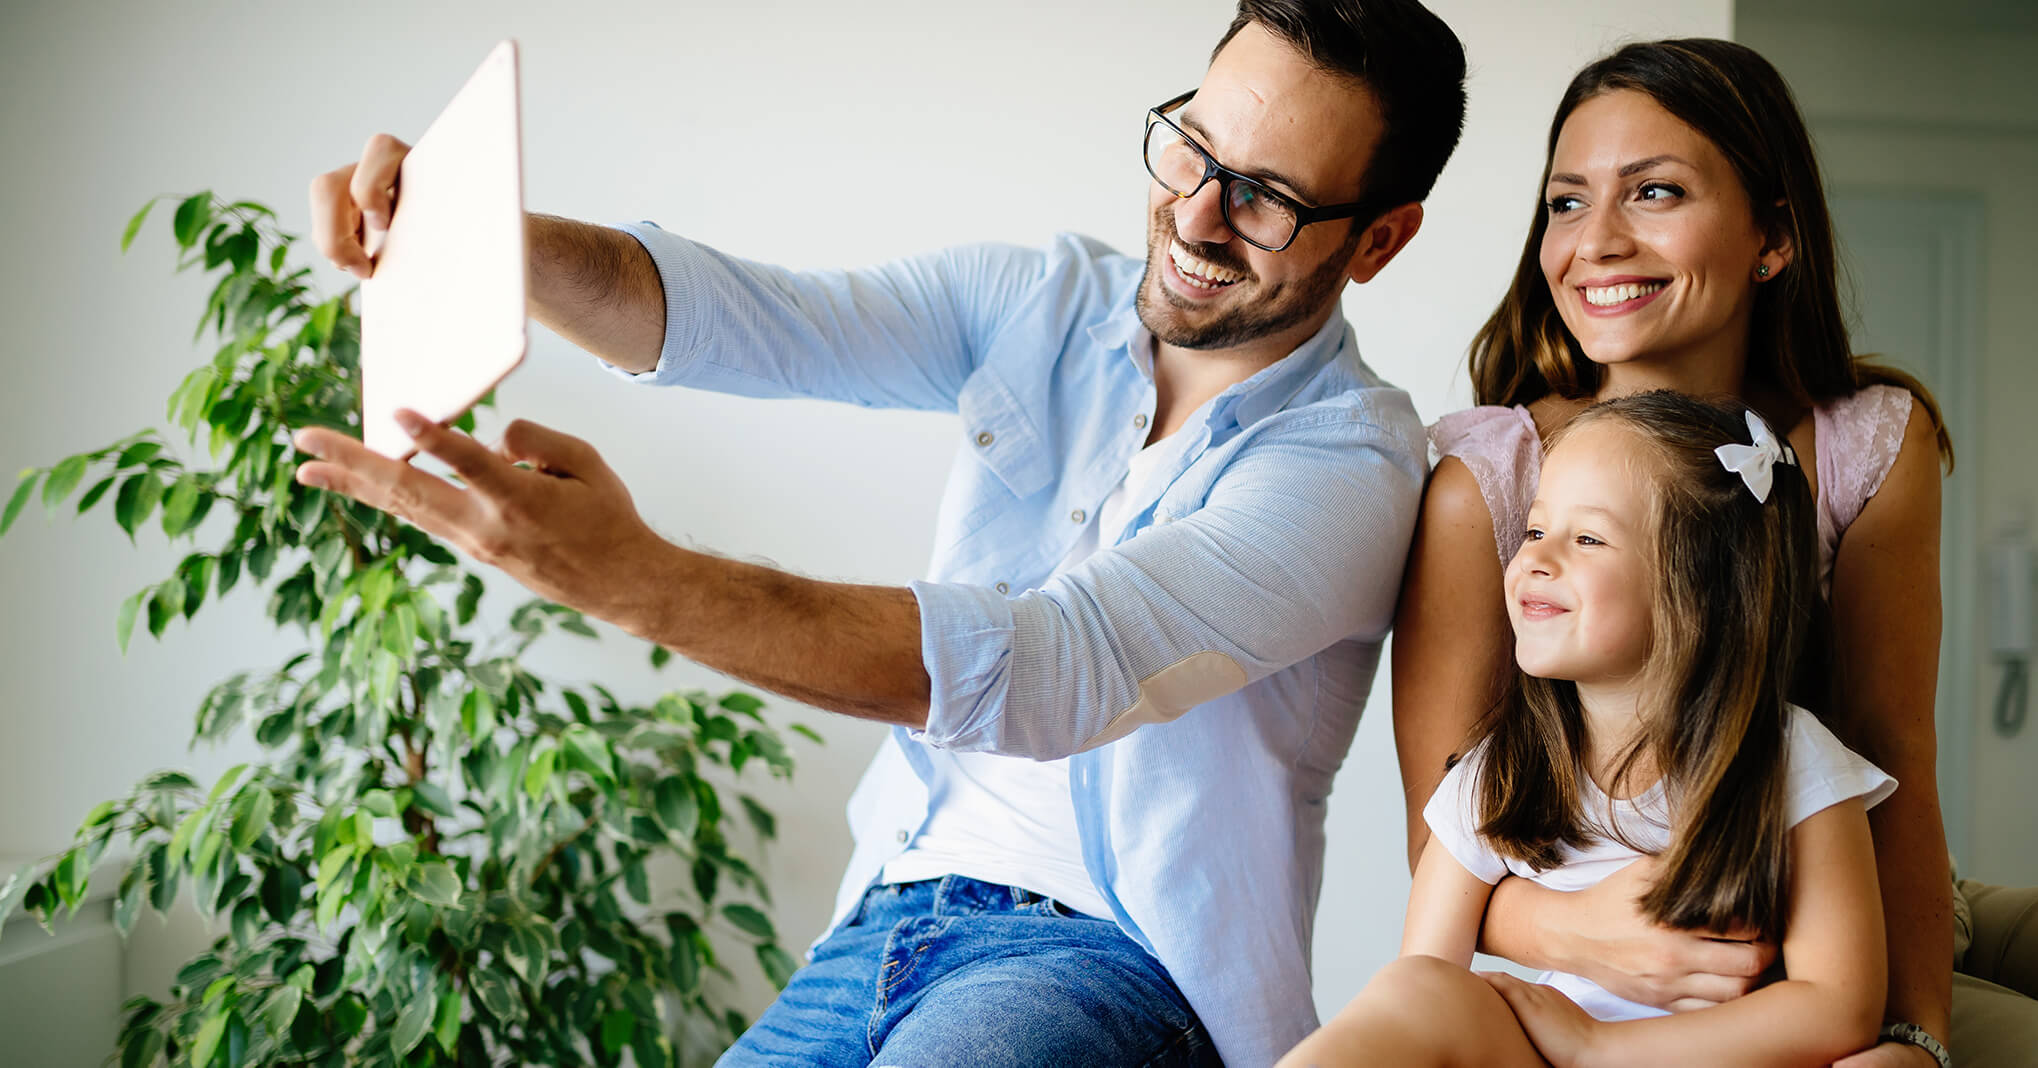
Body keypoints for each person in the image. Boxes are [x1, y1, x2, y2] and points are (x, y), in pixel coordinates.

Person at [299, 2, 1468, 1064]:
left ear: (1379, 241)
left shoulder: (1351, 463)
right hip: (883, 917)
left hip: (1111, 968)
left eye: (1265, 195)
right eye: (1193, 146)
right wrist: (465, 232)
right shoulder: (1047, 301)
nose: (1197, 213)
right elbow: (750, 318)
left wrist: (631, 579)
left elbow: (1052, 666)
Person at [1393, 36, 2038, 1068]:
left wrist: (1914, 1038)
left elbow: (1894, 754)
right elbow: (1447, 841)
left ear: (1773, 236)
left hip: (1866, 920)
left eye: (1656, 192)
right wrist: (1586, 942)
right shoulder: (1493, 479)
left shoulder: (1864, 446)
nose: (1595, 240)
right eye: (1566, 201)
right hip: (1645, 967)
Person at [1288, 391, 1898, 1066]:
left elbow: (1839, 1006)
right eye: (1534, 531)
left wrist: (1598, 1048)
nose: (1536, 560)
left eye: (1586, 538)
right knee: (1417, 989)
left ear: (1701, 588)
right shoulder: (1498, 773)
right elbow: (1422, 982)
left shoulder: (1790, 760)